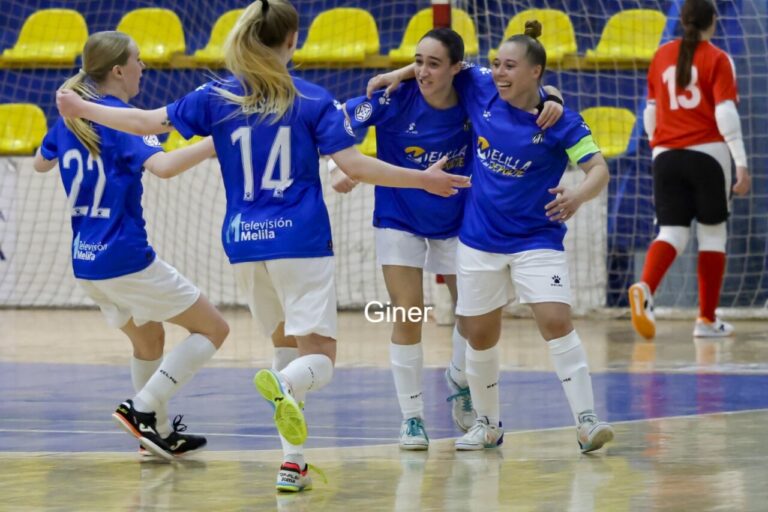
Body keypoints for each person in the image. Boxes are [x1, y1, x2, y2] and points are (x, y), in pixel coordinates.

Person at [56, 0, 468, 492]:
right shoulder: (310, 100)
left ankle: (292, 461)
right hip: (300, 241)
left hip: (244, 244)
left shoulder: (216, 96)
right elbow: (356, 167)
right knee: (318, 360)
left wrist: (80, 107)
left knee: (284, 349)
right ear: (291, 41)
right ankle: (283, 397)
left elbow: (148, 123)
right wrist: (423, 179)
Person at [370, 20, 614, 452]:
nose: (499, 72)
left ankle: (587, 421)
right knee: (476, 334)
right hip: (478, 241)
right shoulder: (480, 88)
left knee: (555, 321)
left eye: (510, 66)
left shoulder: (558, 120)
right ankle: (486, 424)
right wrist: (397, 74)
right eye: (496, 64)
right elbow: (440, 64)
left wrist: (577, 196)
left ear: (536, 72)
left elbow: (598, 169)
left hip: (536, 239)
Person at [334, 28, 564, 450]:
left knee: (473, 312)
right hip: (399, 216)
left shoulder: (475, 83)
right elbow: (333, 124)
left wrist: (555, 97)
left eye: (433, 64)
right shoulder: (391, 98)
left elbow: (532, 83)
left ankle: (459, 379)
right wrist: (344, 167)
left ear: (457, 68)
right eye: (417, 61)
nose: (422, 71)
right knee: (409, 314)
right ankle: (412, 419)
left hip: (459, 220)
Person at [34, 31, 229, 460]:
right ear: (118, 69)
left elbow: (40, 162)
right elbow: (163, 167)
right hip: (125, 257)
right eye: (139, 60)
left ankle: (154, 434)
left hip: (86, 263)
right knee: (215, 329)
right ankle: (141, 411)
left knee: (149, 340)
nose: (144, 67)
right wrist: (216, 142)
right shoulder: (119, 119)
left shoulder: (69, 118)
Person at [629, 0, 750, 340]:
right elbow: (726, 114)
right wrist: (740, 162)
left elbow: (650, 113)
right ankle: (706, 320)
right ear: (713, 22)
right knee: (712, 235)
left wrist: (659, 147)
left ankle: (645, 286)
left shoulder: (661, 56)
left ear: (682, 21)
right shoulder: (718, 58)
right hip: (708, 154)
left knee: (672, 233)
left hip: (665, 156)